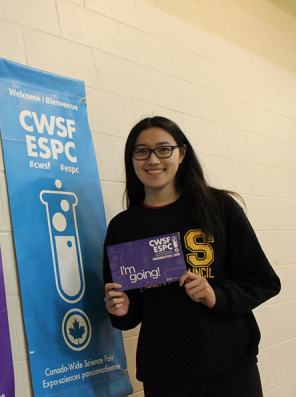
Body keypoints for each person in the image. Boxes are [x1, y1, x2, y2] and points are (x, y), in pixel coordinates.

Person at [103, 116, 281, 397]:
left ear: (182, 153)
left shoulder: (219, 207)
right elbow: (130, 312)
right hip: (165, 375)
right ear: (132, 158)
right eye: (142, 151)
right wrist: (121, 310)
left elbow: (264, 281)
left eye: (164, 149)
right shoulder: (123, 227)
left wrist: (216, 295)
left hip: (230, 367)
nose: (153, 159)